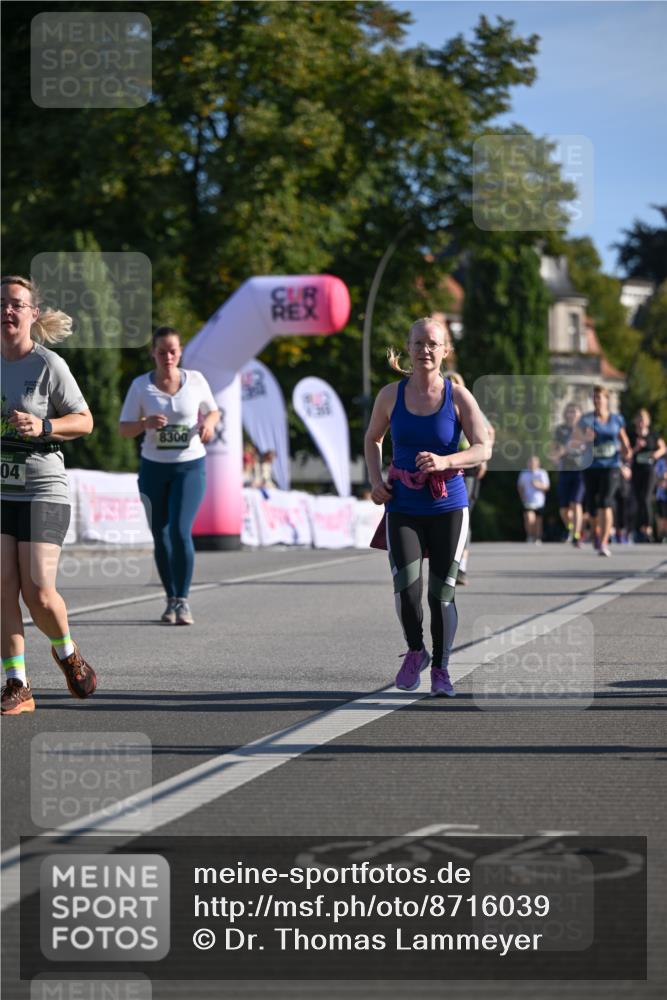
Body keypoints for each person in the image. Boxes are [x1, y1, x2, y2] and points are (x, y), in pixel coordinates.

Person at [364, 317, 491, 697]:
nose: (425, 350)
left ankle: (441, 668)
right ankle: (416, 651)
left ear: (445, 350)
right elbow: (373, 438)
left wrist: (445, 461)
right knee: (406, 587)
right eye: (418, 343)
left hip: (448, 504)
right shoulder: (391, 395)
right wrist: (375, 481)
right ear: (409, 348)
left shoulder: (459, 396)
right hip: (403, 504)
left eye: (433, 344)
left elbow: (483, 448)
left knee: (440, 593)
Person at [1, 275, 97, 716]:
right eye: (1, 303)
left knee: (38, 591)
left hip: (43, 487)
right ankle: (17, 683)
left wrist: (43, 425)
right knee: (2, 589)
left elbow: (84, 420)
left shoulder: (48, 365)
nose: (7, 311)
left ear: (32, 313)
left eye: (16, 304)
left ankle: (66, 651)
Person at [119, 326, 220, 625]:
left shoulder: (196, 380)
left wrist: (209, 424)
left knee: (179, 530)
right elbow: (124, 428)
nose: (168, 357)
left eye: (173, 351)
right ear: (153, 353)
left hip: (189, 466)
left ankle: (183, 601)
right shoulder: (141, 386)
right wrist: (144, 423)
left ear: (180, 352)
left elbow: (213, 411)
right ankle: (171, 598)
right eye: (162, 352)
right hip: (153, 467)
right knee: (160, 536)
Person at [570, 385, 632, 557]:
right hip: (591, 466)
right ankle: (596, 532)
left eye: (600, 397)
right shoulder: (586, 420)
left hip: (611, 466)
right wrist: (585, 439)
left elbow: (624, 440)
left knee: (606, 501)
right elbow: (574, 442)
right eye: (595, 397)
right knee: (592, 506)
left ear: (606, 399)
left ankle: (604, 541)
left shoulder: (616, 419)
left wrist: (627, 455)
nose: (597, 400)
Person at [446, 371, 494, 585]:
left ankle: (461, 567)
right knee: (446, 518)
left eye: (455, 382)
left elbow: (489, 431)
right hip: (443, 467)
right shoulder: (436, 405)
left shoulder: (467, 403)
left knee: (462, 515)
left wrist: (483, 457)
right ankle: (447, 563)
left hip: (468, 467)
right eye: (448, 382)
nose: (451, 386)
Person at [628, 409, 666, 542]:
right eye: (638, 419)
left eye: (643, 420)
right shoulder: (631, 435)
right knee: (637, 499)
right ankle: (638, 530)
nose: (641, 422)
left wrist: (656, 454)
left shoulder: (653, 435)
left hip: (649, 470)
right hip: (636, 470)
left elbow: (663, 448)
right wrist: (636, 448)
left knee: (646, 498)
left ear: (647, 422)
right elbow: (626, 453)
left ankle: (647, 528)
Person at [551, 402, 585, 547]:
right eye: (569, 411)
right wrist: (563, 450)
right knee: (564, 509)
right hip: (565, 470)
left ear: (580, 414)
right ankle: (570, 527)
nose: (572, 414)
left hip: (581, 471)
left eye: (575, 411)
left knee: (576, 503)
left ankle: (576, 535)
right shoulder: (560, 430)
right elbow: (554, 451)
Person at [517, 456, 550, 544]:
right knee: (529, 517)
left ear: (538, 464)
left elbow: (547, 487)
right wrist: (522, 496)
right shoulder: (524, 473)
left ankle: (537, 537)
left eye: (533, 462)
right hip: (528, 500)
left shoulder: (542, 473)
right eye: (530, 462)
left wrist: (538, 485)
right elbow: (520, 486)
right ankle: (530, 535)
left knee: (538, 520)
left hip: (539, 501)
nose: (531, 464)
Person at [654, 455, 667, 542]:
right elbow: (655, 478)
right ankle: (661, 536)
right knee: (661, 516)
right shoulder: (660, 463)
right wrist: (662, 477)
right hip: (661, 495)